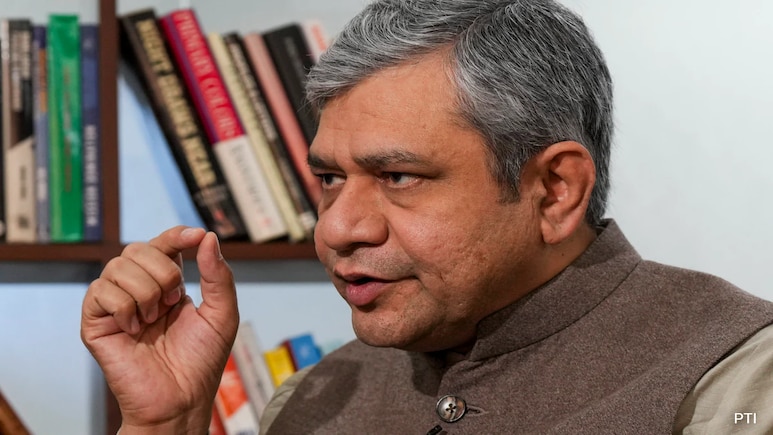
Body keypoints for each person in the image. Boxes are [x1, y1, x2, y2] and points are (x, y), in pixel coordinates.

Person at [81, 0, 773, 433]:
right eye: (329, 178)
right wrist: (168, 423)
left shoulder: (738, 377)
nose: (337, 228)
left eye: (399, 177)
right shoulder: (312, 399)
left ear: (555, 190)